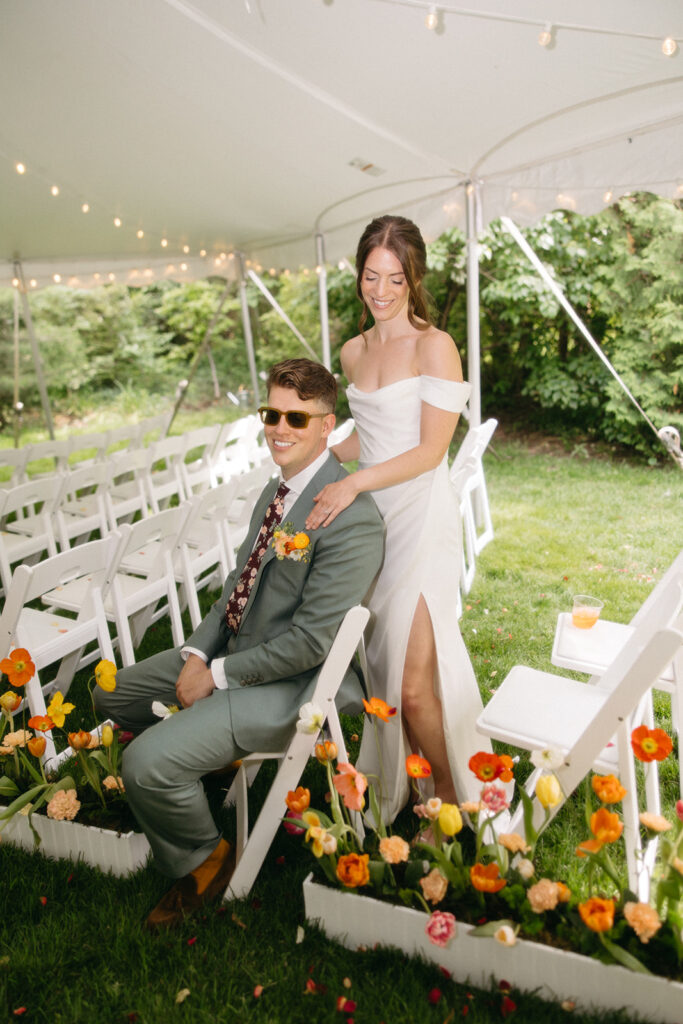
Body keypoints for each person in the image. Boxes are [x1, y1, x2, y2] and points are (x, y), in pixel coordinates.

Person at [96, 359, 384, 928]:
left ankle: (206, 856)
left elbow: (309, 643)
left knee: (144, 762)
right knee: (112, 695)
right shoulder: (278, 491)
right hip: (236, 650)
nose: (279, 427)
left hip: (292, 683)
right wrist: (200, 653)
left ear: (328, 427)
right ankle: (194, 766)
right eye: (271, 413)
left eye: (295, 418)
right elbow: (239, 581)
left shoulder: (352, 519)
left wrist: (217, 677)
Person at [305, 215, 491, 822]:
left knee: (412, 686)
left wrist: (353, 481)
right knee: (385, 667)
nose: (380, 290)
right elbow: (374, 434)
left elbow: (429, 449)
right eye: (370, 276)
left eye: (394, 278)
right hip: (371, 526)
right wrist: (318, 461)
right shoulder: (353, 350)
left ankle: (451, 796)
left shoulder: (434, 344)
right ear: (358, 275)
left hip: (420, 517)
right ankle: (415, 787)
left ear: (414, 279)